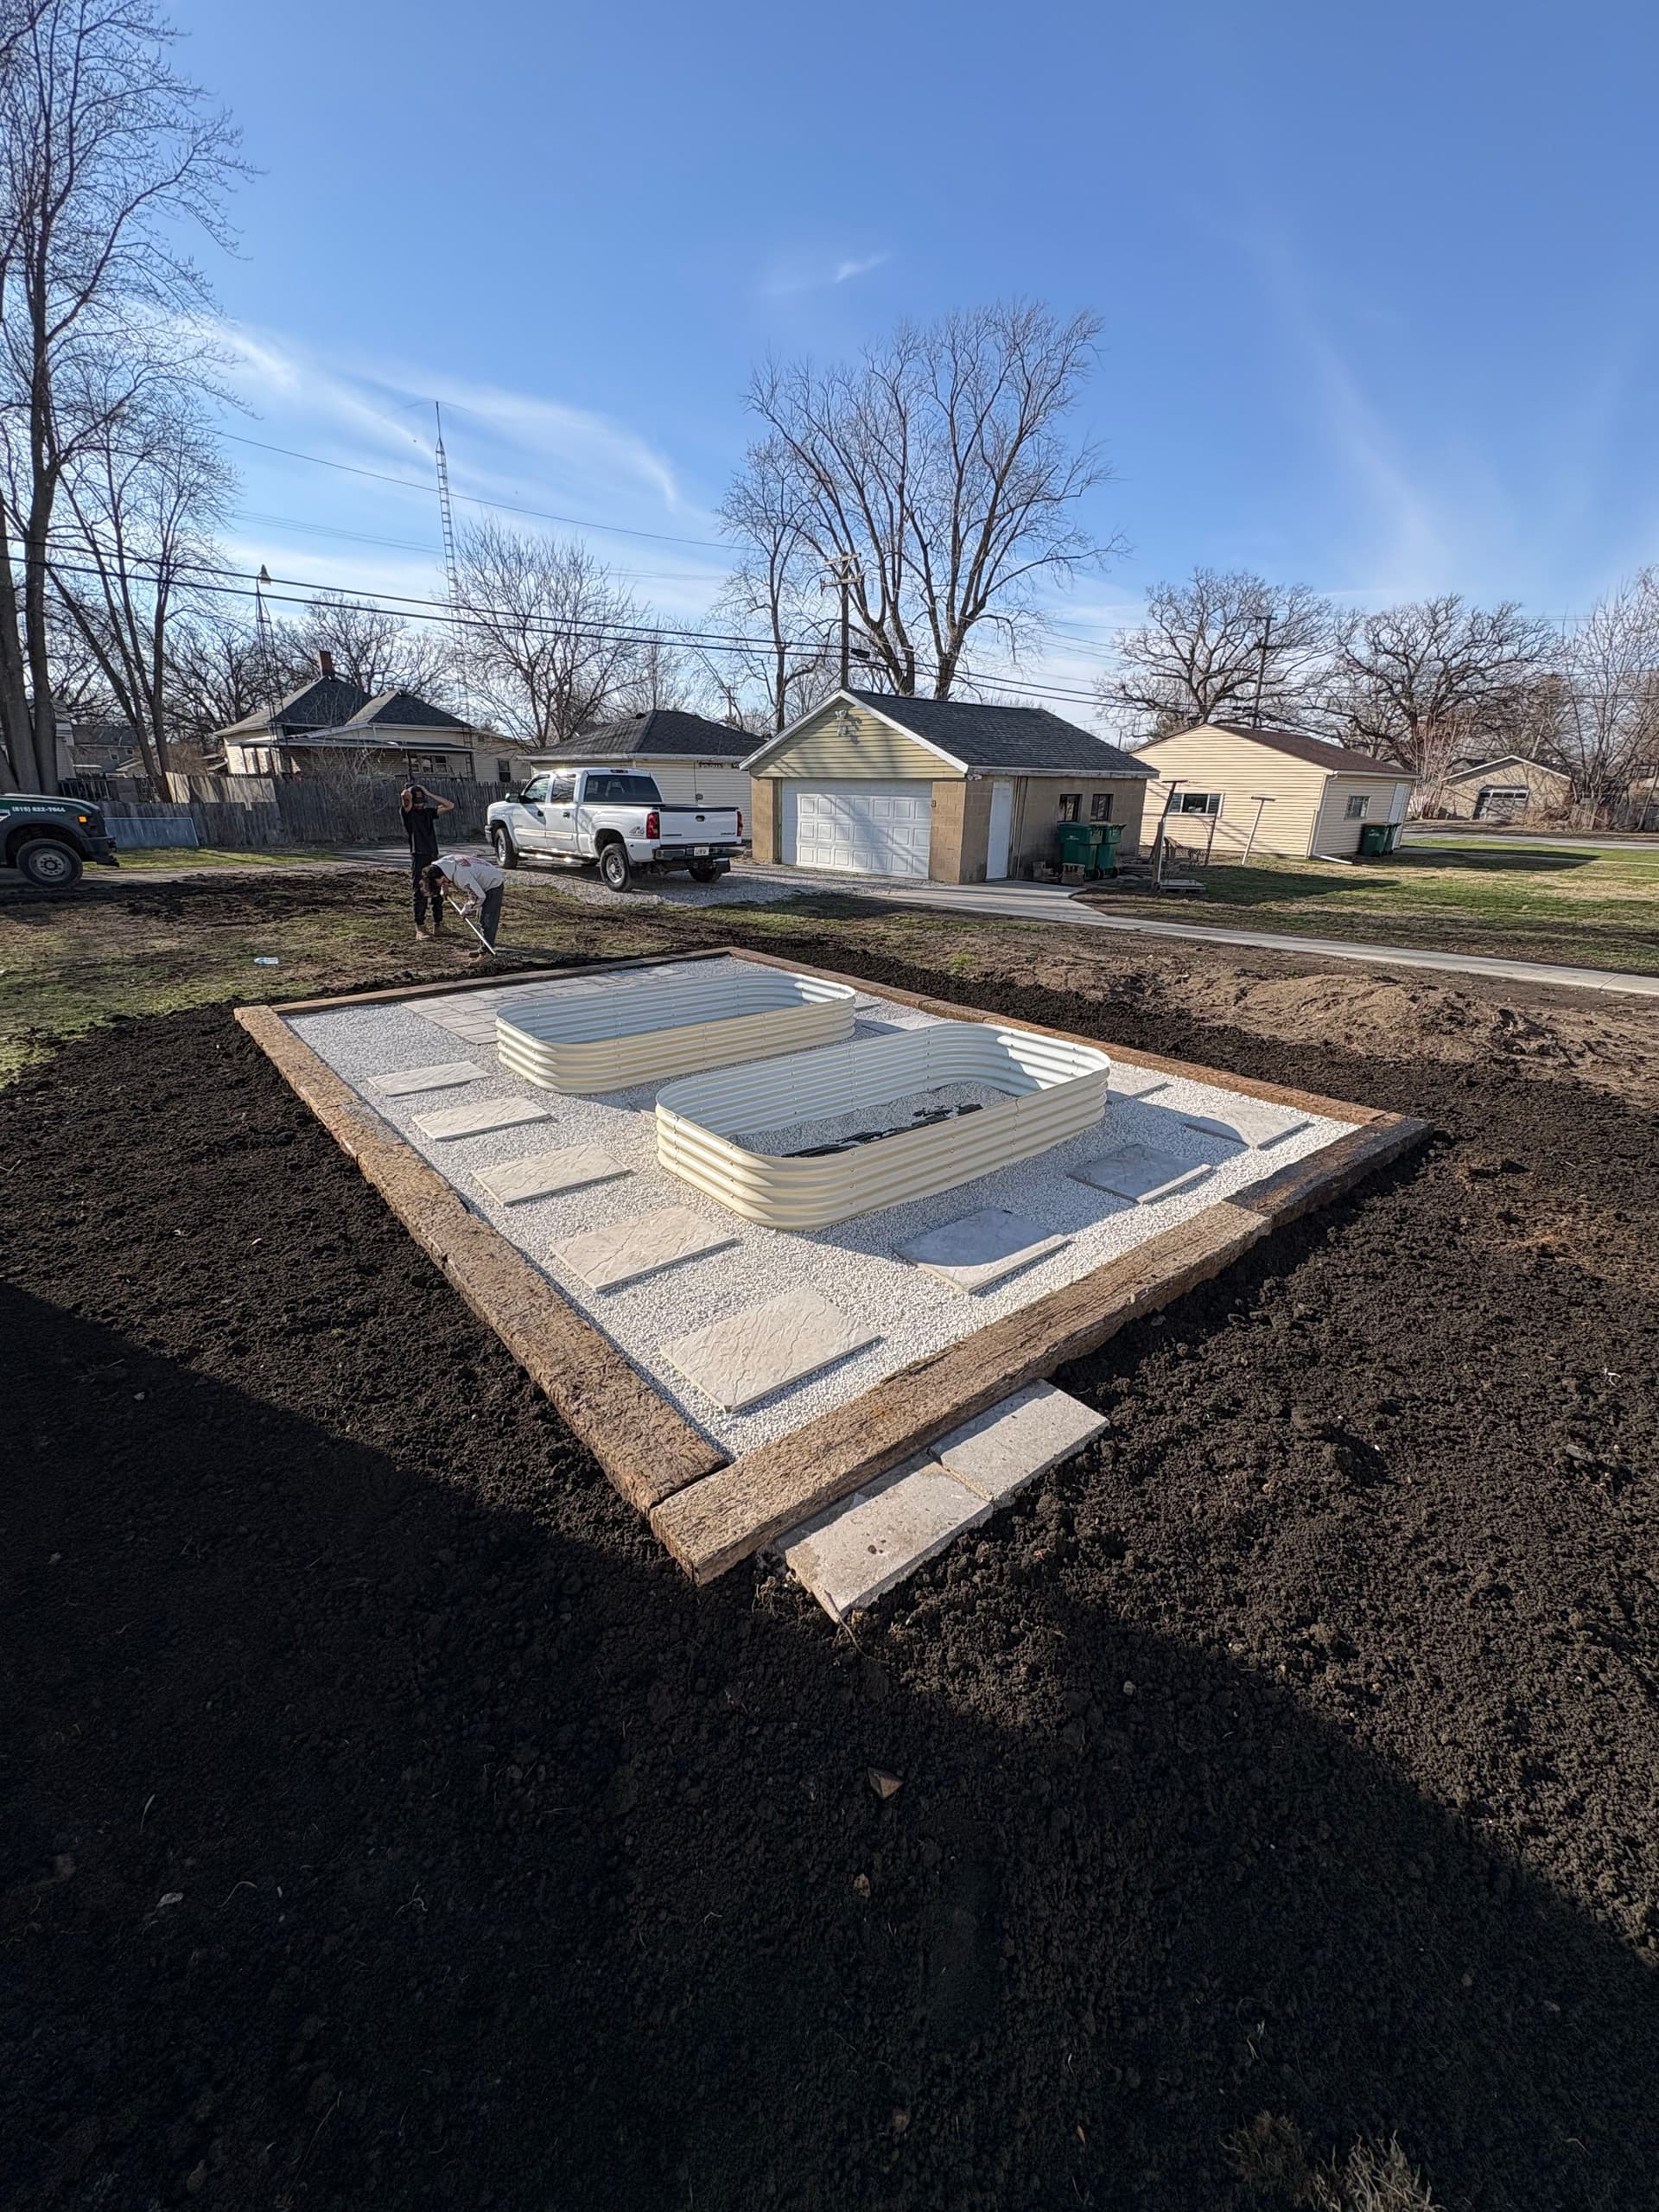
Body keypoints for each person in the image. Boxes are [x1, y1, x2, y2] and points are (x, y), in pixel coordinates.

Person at [424, 851, 505, 957]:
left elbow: (479, 896)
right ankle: (483, 948)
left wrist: (466, 909)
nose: (445, 883)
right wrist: (444, 888)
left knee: (487, 919)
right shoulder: (442, 864)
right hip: (483, 875)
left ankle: (487, 954)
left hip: (493, 883)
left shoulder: (461, 876)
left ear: (443, 875)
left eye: (444, 882)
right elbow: (442, 878)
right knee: (481, 918)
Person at [401, 782, 455, 938]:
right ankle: (420, 928)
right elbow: (404, 799)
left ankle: (439, 925)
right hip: (418, 855)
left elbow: (449, 805)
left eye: (421, 802)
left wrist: (429, 793)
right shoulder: (408, 814)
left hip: (432, 855)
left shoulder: (428, 812)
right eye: (416, 802)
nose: (419, 805)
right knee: (420, 892)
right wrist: (408, 794)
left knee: (437, 890)